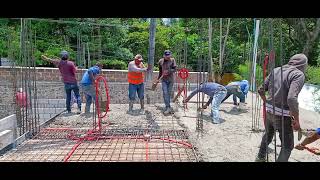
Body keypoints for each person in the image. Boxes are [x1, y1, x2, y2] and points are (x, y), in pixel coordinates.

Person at [255, 53, 308, 162]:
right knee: (287, 146)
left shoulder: (276, 70)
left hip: (269, 110)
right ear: (303, 65)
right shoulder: (298, 74)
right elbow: (291, 99)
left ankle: (260, 158)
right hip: (283, 116)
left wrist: (266, 102)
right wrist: (297, 120)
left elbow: (261, 89)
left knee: (268, 135)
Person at [155, 50, 177, 115]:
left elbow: (175, 69)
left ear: (170, 55)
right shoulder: (160, 61)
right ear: (164, 55)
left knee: (168, 93)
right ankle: (168, 107)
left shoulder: (172, 60)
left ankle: (168, 106)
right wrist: (158, 79)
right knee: (165, 93)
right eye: (166, 55)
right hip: (164, 80)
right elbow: (160, 72)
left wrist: (169, 71)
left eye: (169, 55)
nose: (168, 57)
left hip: (171, 80)